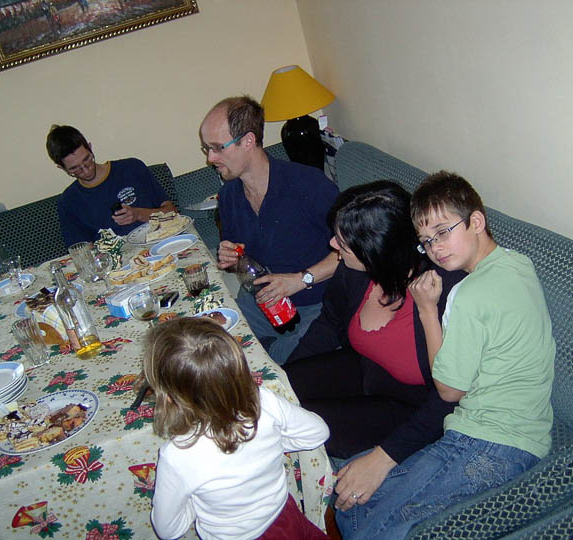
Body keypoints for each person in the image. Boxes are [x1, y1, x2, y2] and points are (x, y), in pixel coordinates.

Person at [335, 171, 555, 539]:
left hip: (488, 440)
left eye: (443, 232)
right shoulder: (518, 263)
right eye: (426, 240)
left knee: (362, 517)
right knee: (350, 489)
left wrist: (426, 309)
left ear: (476, 221)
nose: (436, 247)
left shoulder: (467, 295)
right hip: (517, 430)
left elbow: (450, 391)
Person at [284, 181, 466, 503]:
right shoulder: (353, 271)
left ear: (376, 251)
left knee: (291, 429)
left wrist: (384, 457)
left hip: (409, 406)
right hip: (362, 368)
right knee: (270, 398)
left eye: (342, 242)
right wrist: (288, 375)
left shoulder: (445, 291)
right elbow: (329, 324)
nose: (332, 244)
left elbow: (451, 399)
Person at [145, 317, 330, 540]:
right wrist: (270, 443)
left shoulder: (177, 455)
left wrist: (194, 502)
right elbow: (318, 432)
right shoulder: (263, 401)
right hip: (286, 520)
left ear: (168, 397)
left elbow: (168, 531)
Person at [200, 96, 339, 364]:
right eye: (206, 148)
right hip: (262, 302)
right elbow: (242, 259)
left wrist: (301, 279)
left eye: (217, 147)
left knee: (275, 362)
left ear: (248, 141)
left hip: (318, 303)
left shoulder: (309, 185)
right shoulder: (228, 196)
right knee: (212, 349)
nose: (210, 158)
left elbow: (356, 251)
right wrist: (232, 258)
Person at [46, 125, 176, 247]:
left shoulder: (132, 168)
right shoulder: (68, 201)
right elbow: (82, 251)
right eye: (75, 169)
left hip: (160, 244)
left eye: (87, 160)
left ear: (90, 148)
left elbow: (172, 212)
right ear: (62, 168)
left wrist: (138, 214)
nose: (85, 170)